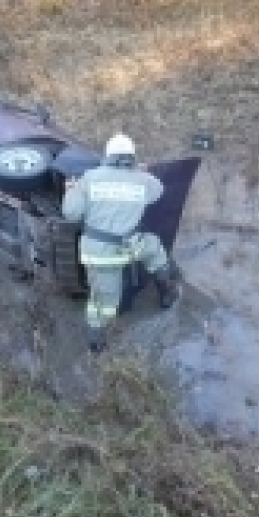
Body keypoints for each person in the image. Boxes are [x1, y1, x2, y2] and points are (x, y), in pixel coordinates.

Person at [62, 132, 178, 353]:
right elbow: (159, 192)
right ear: (132, 158)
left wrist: (70, 190)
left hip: (99, 253)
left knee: (104, 303)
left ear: (107, 156)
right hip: (130, 246)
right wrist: (142, 174)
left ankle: (96, 342)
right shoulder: (143, 181)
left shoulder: (89, 178)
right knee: (154, 249)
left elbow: (71, 214)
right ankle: (167, 293)